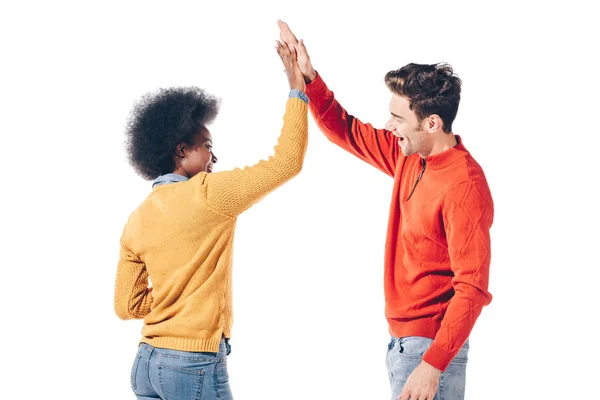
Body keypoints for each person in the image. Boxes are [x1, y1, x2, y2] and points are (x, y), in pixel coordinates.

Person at [277, 20, 494, 400]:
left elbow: (472, 288)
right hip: (402, 345)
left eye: (398, 118)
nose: (388, 126)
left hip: (430, 351)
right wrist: (309, 78)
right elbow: (345, 129)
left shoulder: (464, 186)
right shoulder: (409, 155)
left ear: (432, 122)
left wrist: (432, 365)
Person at [113, 41, 308, 400]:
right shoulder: (207, 193)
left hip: (145, 365)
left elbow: (126, 305)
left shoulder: (137, 217)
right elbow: (286, 163)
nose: (214, 156)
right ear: (181, 151)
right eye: (207, 145)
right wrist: (297, 90)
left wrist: (175, 296)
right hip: (192, 365)